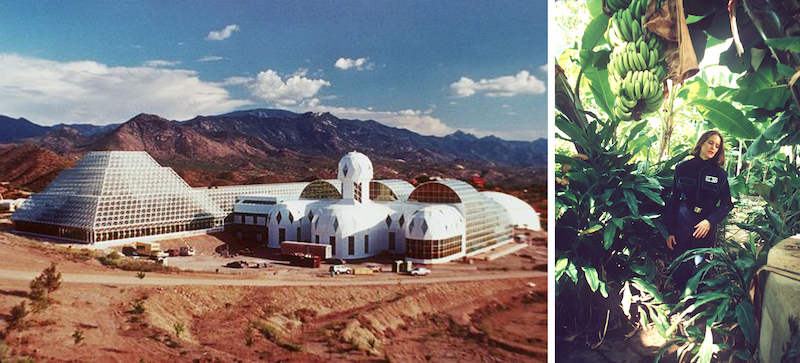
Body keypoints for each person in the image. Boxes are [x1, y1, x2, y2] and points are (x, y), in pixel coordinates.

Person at [663, 130, 734, 292]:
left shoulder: (720, 175)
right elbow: (674, 200)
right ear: (701, 142)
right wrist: (670, 231)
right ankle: (684, 298)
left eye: (717, 146)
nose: (713, 148)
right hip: (682, 222)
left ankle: (694, 302)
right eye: (710, 143)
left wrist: (710, 221)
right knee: (679, 267)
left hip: (704, 227)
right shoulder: (682, 168)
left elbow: (726, 205)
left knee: (699, 268)